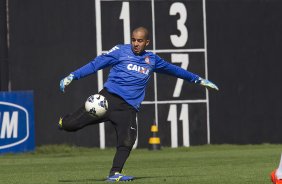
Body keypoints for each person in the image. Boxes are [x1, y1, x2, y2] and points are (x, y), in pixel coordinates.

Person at [58, 27, 218, 182]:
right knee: (71, 125)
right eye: (133, 40)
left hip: (128, 108)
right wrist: (73, 76)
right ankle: (63, 122)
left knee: (127, 140)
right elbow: (96, 64)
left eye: (140, 41)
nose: (136, 43)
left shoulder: (152, 60)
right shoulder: (120, 51)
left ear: (147, 42)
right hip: (106, 100)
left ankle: (115, 173)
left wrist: (198, 79)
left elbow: (174, 70)